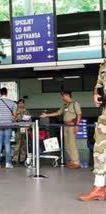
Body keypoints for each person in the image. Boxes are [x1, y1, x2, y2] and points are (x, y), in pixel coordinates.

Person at [77, 39, 106, 201]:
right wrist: (95, 93)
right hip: (105, 112)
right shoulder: (103, 65)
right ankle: (99, 187)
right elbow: (98, 84)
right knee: (99, 148)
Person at [40, 91, 82, 169]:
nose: (62, 98)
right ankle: (72, 161)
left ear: (67, 95)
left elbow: (79, 114)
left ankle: (76, 162)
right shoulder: (65, 105)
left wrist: (77, 126)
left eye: (63, 96)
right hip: (65, 125)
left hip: (72, 125)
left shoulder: (75, 103)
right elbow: (58, 113)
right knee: (67, 145)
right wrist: (47, 115)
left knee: (72, 144)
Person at [0, 87, 17, 169]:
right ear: (7, 93)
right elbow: (15, 114)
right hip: (8, 125)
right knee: (7, 143)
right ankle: (8, 163)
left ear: (0, 93)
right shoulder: (12, 103)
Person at [12, 99, 30, 165]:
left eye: (22, 103)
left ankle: (22, 159)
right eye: (19, 103)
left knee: (24, 145)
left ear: (24, 104)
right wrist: (16, 119)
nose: (20, 105)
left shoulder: (26, 111)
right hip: (18, 129)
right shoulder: (15, 111)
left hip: (25, 129)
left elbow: (29, 120)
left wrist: (28, 127)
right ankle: (15, 159)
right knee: (17, 144)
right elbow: (13, 120)